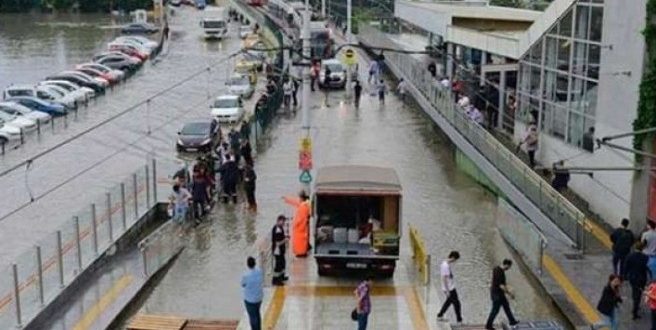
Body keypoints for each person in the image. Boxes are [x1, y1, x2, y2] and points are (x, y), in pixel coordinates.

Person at [485, 259, 519, 330]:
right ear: (506, 265)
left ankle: (512, 321)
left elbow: (502, 284)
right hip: (497, 295)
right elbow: (501, 286)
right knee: (495, 310)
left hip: (499, 293)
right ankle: (488, 325)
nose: (509, 268)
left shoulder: (496, 269)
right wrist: (510, 294)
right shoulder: (499, 272)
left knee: (506, 307)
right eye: (509, 267)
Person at [624, 241, 650, 320]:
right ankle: (635, 310)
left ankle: (635, 305)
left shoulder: (629, 256)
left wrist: (625, 276)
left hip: (632, 277)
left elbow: (626, 267)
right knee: (638, 295)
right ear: (642, 248)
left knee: (635, 291)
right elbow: (647, 268)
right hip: (641, 278)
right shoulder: (645, 257)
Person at [436, 251, 463, 324]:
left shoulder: (445, 264)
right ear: (453, 258)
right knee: (457, 304)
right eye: (455, 259)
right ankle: (459, 320)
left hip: (450, 287)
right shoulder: (445, 266)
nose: (455, 261)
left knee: (448, 302)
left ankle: (440, 315)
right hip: (450, 288)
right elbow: (444, 278)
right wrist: (447, 291)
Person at [283, 191, 311, 257]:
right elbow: (295, 202)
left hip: (300, 229)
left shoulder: (303, 207)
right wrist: (287, 199)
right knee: (301, 242)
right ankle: (301, 252)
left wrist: (295, 224)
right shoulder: (304, 205)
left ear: (301, 198)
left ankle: (301, 253)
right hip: (301, 229)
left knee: (300, 243)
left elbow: (301, 218)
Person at [241, 257, 263, 330]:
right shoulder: (259, 271)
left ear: (247, 265)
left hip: (250, 300)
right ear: (255, 263)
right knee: (257, 314)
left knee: (252, 316)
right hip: (259, 298)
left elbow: (243, 284)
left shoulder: (246, 275)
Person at [271, 215, 288, 285]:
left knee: (283, 263)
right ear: (279, 220)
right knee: (278, 266)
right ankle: (276, 280)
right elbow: (278, 243)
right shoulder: (277, 229)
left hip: (281, 250)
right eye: (283, 221)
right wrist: (285, 240)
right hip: (277, 251)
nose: (284, 223)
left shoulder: (280, 228)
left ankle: (282, 277)